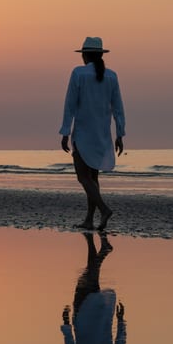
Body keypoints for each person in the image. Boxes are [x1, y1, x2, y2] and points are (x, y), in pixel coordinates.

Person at [59, 37, 126, 231]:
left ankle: (104, 210)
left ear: (86, 55)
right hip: (102, 134)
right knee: (93, 178)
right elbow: (118, 108)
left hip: (83, 133)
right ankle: (89, 219)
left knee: (83, 177)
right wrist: (120, 134)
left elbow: (70, 104)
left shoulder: (79, 73)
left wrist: (65, 131)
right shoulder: (111, 76)